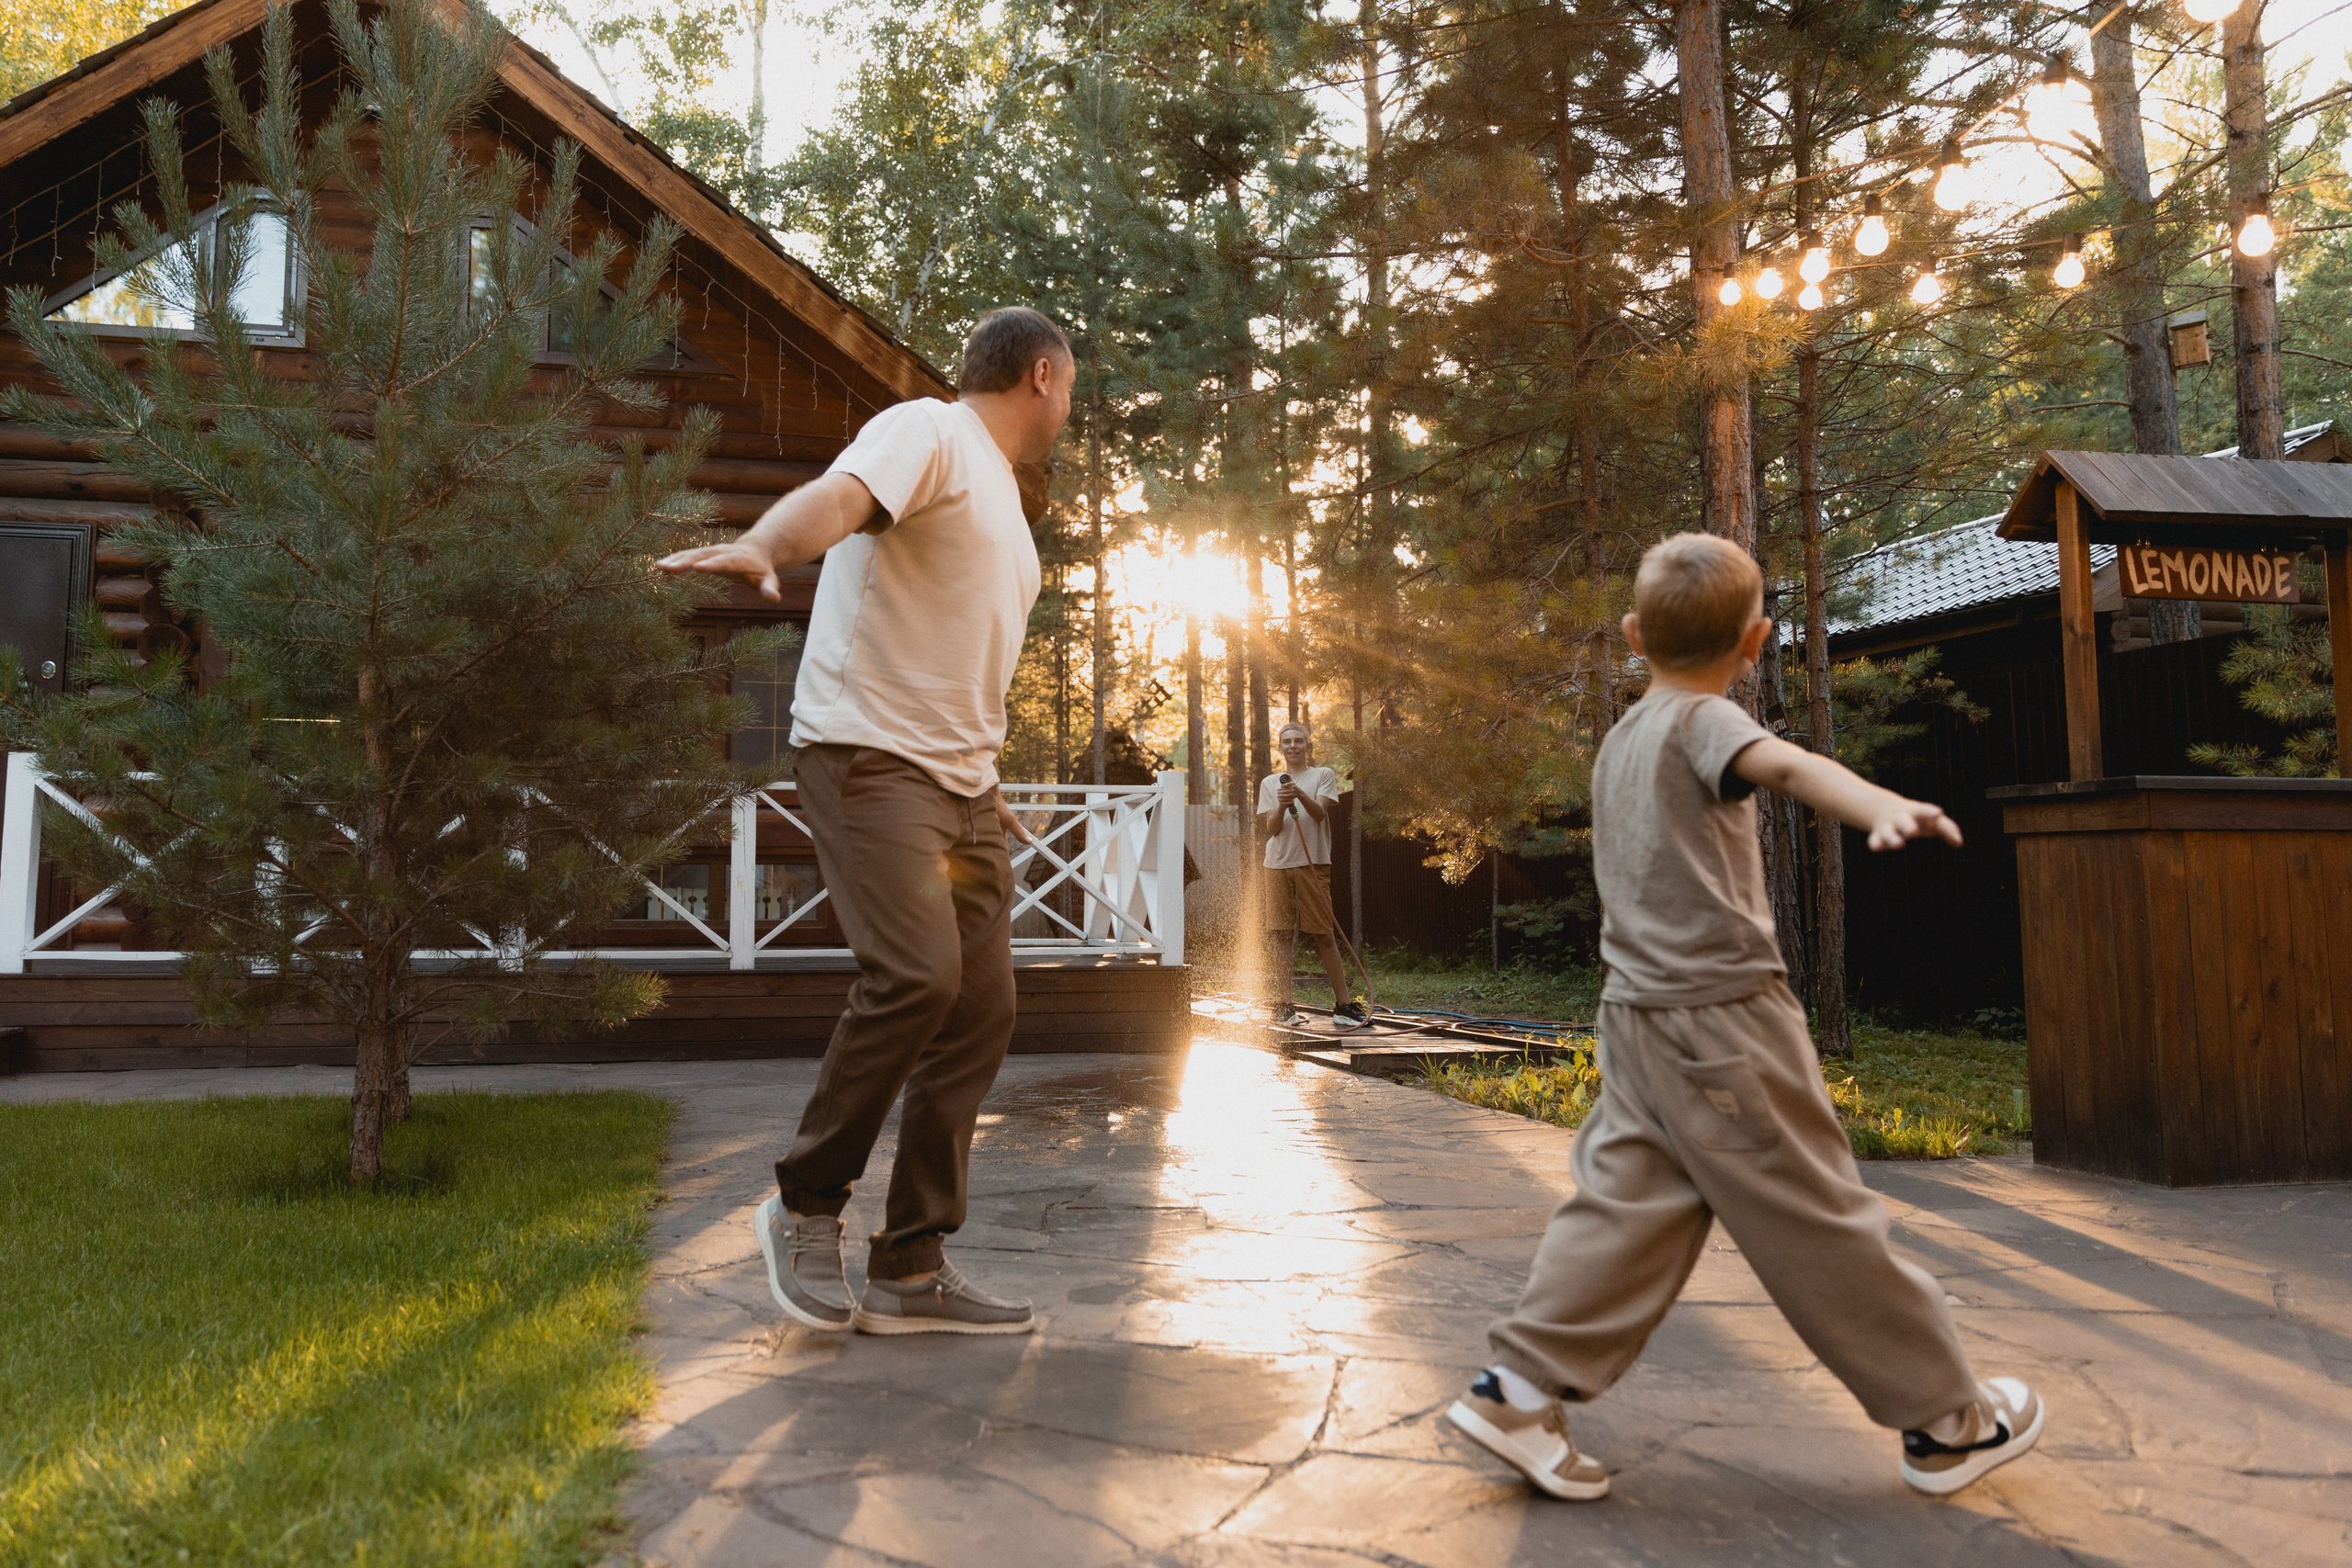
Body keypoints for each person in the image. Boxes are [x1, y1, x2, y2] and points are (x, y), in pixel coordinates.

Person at [1447, 533, 2043, 1501]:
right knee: (1816, 1214)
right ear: (1757, 640)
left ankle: (1513, 1390)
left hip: (1636, 1019)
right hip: (1723, 1024)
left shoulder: (1621, 737)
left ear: (1635, 635)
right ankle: (1946, 1421)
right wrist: (1876, 801)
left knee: (1625, 1211)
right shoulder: (1698, 723)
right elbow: (1789, 764)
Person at [656, 307, 1073, 1337]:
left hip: (962, 790)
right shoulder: (929, 432)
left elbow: (951, 656)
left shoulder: (1008, 517)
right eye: (1071, 387)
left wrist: (987, 783)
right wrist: (766, 541)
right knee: (916, 977)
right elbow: (838, 501)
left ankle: (912, 1264)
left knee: (979, 1013)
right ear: (1045, 376)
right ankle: (802, 1206)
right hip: (869, 760)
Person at [1256, 720, 1367, 1032]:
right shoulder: (1269, 783)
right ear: (1280, 747)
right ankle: (1285, 1005)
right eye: (1286, 741)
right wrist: (1281, 804)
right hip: (1276, 864)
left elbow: (1319, 815)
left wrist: (1300, 795)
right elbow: (1272, 828)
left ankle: (1343, 1006)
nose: (1292, 746)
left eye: (1298, 741)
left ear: (1308, 745)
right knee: (1280, 934)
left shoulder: (1322, 775)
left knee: (1323, 934)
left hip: (1313, 864)